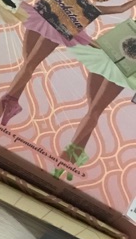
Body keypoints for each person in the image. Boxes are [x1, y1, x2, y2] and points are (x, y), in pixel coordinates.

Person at [0, 0, 136, 125]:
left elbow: (121, 8)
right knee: (28, 63)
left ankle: (3, 105)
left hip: (56, 32)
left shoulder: (92, 9)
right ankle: (12, 102)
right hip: (40, 19)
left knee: (30, 64)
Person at [53, 24, 136, 179]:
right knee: (92, 110)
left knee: (94, 111)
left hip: (124, 69)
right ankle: (76, 154)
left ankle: (66, 155)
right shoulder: (132, 23)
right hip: (105, 57)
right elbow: (110, 40)